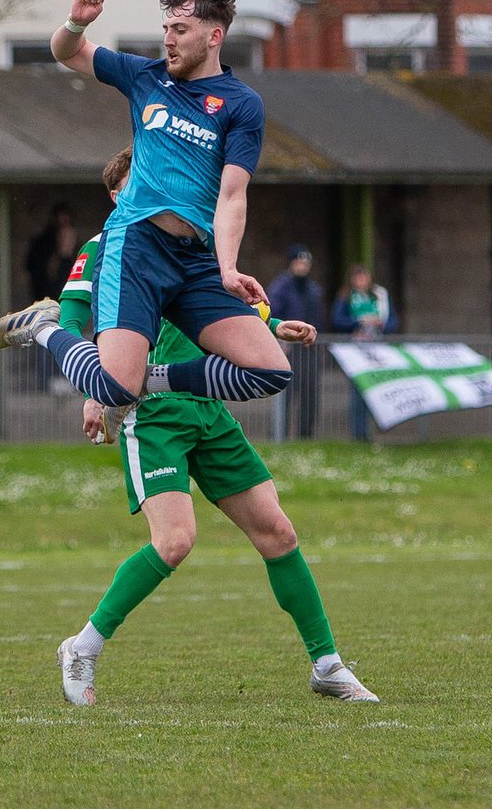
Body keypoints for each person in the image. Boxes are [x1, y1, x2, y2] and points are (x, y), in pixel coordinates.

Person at [55, 147, 378, 706]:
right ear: (117, 195)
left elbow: (217, 310)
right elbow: (70, 316)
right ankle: (82, 646)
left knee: (278, 532)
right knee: (175, 542)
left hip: (208, 411)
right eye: (141, 180)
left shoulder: (191, 239)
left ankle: (326, 665)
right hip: (154, 418)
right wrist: (94, 389)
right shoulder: (104, 248)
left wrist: (274, 326)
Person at [0, 0, 292, 422]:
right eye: (166, 29)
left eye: (180, 31)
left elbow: (232, 194)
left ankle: (148, 380)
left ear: (214, 35)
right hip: (137, 245)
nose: (168, 40)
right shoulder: (146, 77)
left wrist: (227, 268)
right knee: (112, 387)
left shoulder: (242, 104)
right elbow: (67, 52)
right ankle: (44, 328)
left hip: (195, 259)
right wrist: (76, 21)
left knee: (268, 372)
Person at [331, 264, 400, 442]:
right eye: (358, 277)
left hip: (377, 350)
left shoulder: (379, 296)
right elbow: (337, 320)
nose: (361, 281)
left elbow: (393, 321)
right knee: (357, 391)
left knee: (374, 390)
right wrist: (358, 321)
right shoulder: (346, 297)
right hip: (355, 350)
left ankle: (371, 431)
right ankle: (358, 432)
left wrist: (381, 324)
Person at [267, 245, 326, 439]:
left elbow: (319, 317)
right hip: (288, 350)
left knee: (309, 395)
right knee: (284, 394)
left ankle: (305, 435)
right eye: (299, 262)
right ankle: (279, 434)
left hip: (309, 350)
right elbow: (272, 312)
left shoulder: (314, 290)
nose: (303, 266)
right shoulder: (280, 288)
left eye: (306, 263)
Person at [25, 201, 78, 391]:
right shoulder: (44, 245)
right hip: (47, 303)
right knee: (45, 340)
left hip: (66, 305)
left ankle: (64, 379)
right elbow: (39, 274)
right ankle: (45, 381)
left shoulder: (74, 255)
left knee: (66, 339)